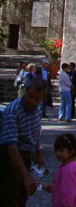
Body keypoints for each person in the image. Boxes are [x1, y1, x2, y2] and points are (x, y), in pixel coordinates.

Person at [0, 77, 46, 205]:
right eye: (30, 96)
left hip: (27, 153)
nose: (32, 101)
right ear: (25, 91)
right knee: (10, 196)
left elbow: (35, 129)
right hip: (10, 156)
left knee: (22, 195)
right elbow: (11, 147)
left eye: (37, 99)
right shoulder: (13, 111)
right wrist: (26, 176)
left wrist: (38, 151)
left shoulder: (38, 108)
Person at [42, 133, 76, 207]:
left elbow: (68, 192)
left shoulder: (69, 169)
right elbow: (61, 185)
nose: (58, 153)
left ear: (71, 151)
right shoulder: (68, 166)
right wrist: (49, 187)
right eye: (56, 150)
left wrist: (67, 204)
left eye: (61, 150)